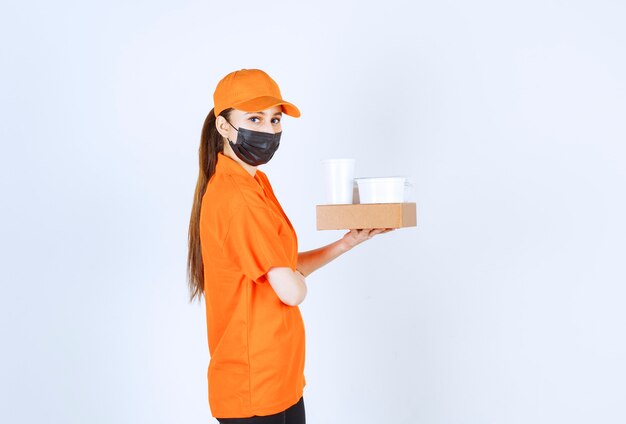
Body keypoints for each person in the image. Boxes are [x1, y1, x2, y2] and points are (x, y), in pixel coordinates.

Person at [187, 68, 394, 423]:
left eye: (275, 119)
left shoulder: (255, 183)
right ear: (223, 127)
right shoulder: (236, 198)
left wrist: (346, 242)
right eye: (254, 118)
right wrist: (295, 280)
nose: (268, 130)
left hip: (279, 379)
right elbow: (291, 290)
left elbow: (279, 265)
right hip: (252, 387)